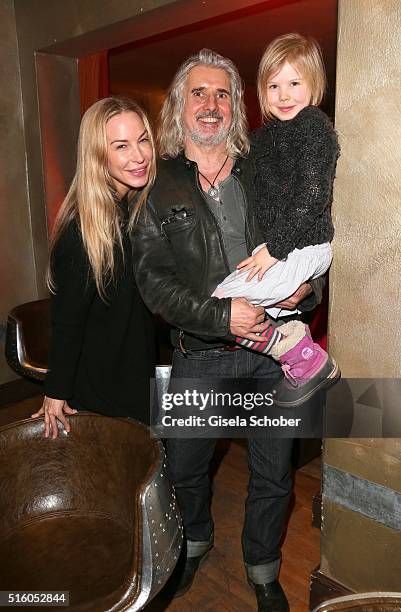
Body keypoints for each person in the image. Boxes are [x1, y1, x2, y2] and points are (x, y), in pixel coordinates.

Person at [133, 49, 325, 611]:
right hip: (202, 353)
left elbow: (311, 235)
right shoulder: (157, 185)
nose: (211, 104)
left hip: (277, 351)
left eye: (223, 94)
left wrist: (306, 291)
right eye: (200, 92)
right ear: (179, 104)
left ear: (236, 107)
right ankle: (194, 541)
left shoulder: (265, 165)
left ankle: (263, 568)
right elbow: (154, 284)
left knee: (274, 473)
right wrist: (223, 316)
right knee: (185, 467)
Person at [213, 33, 340, 407]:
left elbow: (314, 195)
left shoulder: (314, 126)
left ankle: (305, 358)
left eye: (294, 83)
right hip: (280, 249)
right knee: (230, 313)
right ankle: (297, 351)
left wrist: (275, 249)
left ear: (314, 86)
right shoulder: (263, 138)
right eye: (274, 85)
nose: (284, 95)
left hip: (302, 247)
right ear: (262, 91)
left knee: (222, 304)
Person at [32, 97, 156, 438]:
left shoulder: (134, 210)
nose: (139, 155)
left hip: (135, 377)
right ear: (97, 156)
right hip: (103, 396)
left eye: (143, 139)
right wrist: (56, 392)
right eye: (121, 146)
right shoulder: (82, 231)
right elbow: (67, 322)